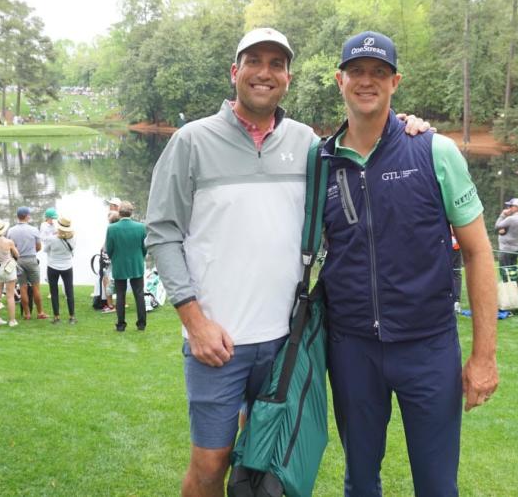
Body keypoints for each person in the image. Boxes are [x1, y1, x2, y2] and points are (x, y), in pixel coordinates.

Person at [146, 27, 430, 495]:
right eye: (253, 61)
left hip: (287, 340)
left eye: (276, 64)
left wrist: (405, 126)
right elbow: (162, 232)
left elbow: (366, 147)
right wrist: (194, 322)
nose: (264, 72)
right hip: (216, 341)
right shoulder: (192, 141)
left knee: (270, 466)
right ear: (234, 72)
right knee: (211, 464)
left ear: (288, 78)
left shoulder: (309, 145)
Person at [320, 31, 498, 495]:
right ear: (339, 79)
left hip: (428, 349)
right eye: (356, 71)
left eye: (378, 72)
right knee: (359, 481)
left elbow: (479, 252)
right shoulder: (320, 163)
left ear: (395, 81)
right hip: (352, 349)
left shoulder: (433, 150)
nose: (366, 81)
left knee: (437, 486)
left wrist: (484, 357)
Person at [105, 201, 147, 332]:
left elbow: (109, 248)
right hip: (136, 263)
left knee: (120, 295)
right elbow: (145, 247)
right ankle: (141, 324)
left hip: (119, 264)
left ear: (119, 212)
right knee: (139, 295)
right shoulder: (141, 227)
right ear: (131, 212)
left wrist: (115, 258)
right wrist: (140, 258)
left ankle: (121, 324)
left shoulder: (112, 228)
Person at [7, 206, 47, 320]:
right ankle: (40, 313)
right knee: (36, 288)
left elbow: (10, 248)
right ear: (27, 216)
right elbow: (39, 247)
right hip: (31, 259)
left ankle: (27, 314)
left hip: (18, 261)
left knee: (23, 288)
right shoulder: (34, 229)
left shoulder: (11, 230)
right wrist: (32, 251)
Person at [45, 216, 77, 324]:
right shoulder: (73, 238)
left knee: (54, 292)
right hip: (67, 266)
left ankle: (56, 317)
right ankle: (72, 317)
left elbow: (46, 250)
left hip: (52, 266)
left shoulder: (52, 238)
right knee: (69, 291)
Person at [0, 218, 20, 327]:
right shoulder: (8, 242)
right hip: (9, 270)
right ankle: (12, 321)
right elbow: (17, 255)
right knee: (10, 296)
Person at [495, 197, 518, 280]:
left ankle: (508, 289)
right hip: (514, 249)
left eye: (510, 206)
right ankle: (517, 287)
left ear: (517, 207)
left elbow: (497, 226)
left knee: (505, 272)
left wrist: (502, 215)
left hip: (506, 250)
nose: (508, 208)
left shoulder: (511, 219)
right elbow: (505, 229)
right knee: (513, 271)